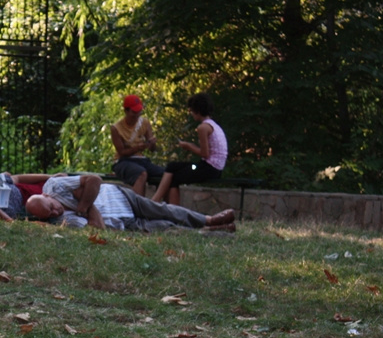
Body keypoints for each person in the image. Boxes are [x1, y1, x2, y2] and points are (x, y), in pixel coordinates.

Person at [25, 174, 236, 233]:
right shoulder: (61, 221)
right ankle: (213, 231)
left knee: (165, 210)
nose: (56, 211)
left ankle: (209, 219)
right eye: (50, 214)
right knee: (166, 228)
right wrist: (89, 203)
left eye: (51, 206)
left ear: (45, 195)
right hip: (123, 224)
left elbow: (94, 180)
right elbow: (98, 229)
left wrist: (82, 206)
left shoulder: (55, 186)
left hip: (120, 197)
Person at [151, 93, 228, 206]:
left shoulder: (203, 128)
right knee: (173, 166)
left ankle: (165, 207)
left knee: (175, 178)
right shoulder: (214, 125)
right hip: (207, 167)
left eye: (191, 110)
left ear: (197, 110)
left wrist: (188, 146)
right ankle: (156, 200)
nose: (191, 114)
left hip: (207, 169)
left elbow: (205, 154)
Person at [110, 95, 166, 197]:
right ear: (126, 111)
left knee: (166, 175)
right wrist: (137, 148)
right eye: (134, 112)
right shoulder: (116, 128)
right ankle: (138, 206)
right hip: (123, 161)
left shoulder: (144, 122)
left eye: (139, 112)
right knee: (141, 173)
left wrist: (152, 144)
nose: (137, 115)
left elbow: (152, 149)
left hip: (141, 160)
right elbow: (122, 152)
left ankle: (165, 207)